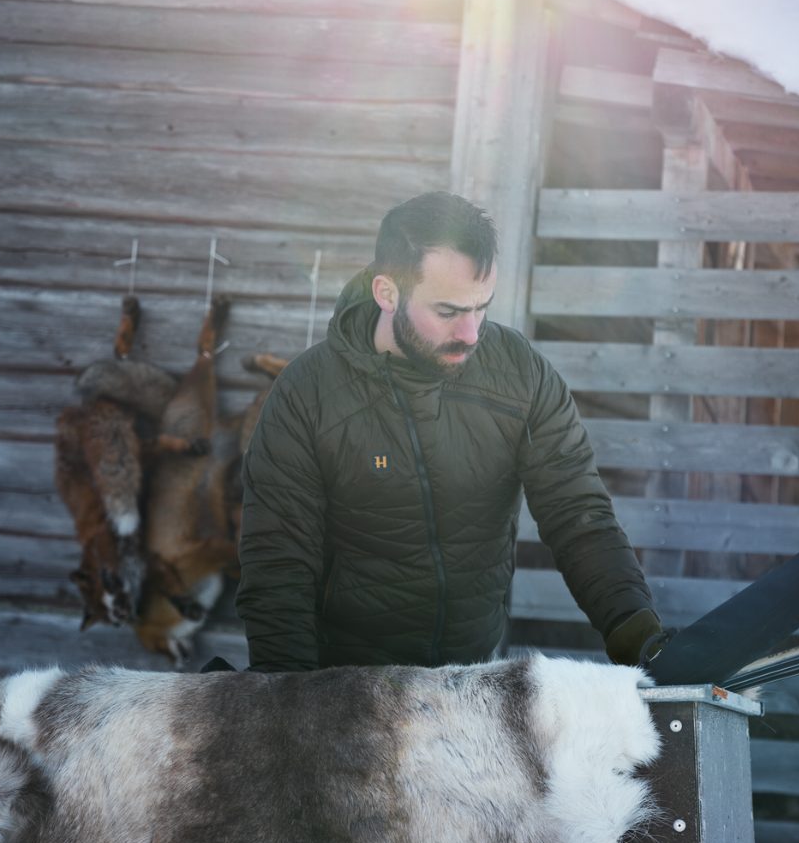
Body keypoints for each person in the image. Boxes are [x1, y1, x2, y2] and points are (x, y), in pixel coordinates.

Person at [236, 191, 662, 673]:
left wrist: (637, 632)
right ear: (387, 293)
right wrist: (289, 695)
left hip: (474, 678)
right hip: (348, 684)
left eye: (481, 307)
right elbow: (278, 562)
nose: (471, 333)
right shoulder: (306, 394)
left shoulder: (521, 374)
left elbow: (577, 511)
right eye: (448, 311)